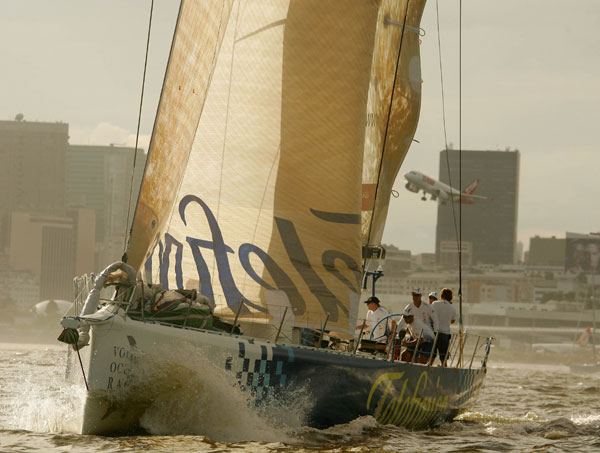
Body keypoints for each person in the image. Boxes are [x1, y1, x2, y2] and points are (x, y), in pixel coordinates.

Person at [402, 289, 436, 362]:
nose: (405, 319)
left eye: (407, 317)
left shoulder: (416, 325)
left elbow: (420, 340)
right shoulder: (409, 322)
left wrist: (407, 343)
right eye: (404, 317)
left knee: (422, 360)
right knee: (404, 355)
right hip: (418, 338)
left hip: (428, 341)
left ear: (412, 316)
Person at [431, 287, 457, 366]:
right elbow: (452, 321)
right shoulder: (452, 308)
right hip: (444, 334)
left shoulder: (435, 304)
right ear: (451, 297)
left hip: (434, 332)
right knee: (443, 358)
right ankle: (444, 372)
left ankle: (428, 368)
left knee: (431, 355)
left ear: (441, 295)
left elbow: (430, 315)